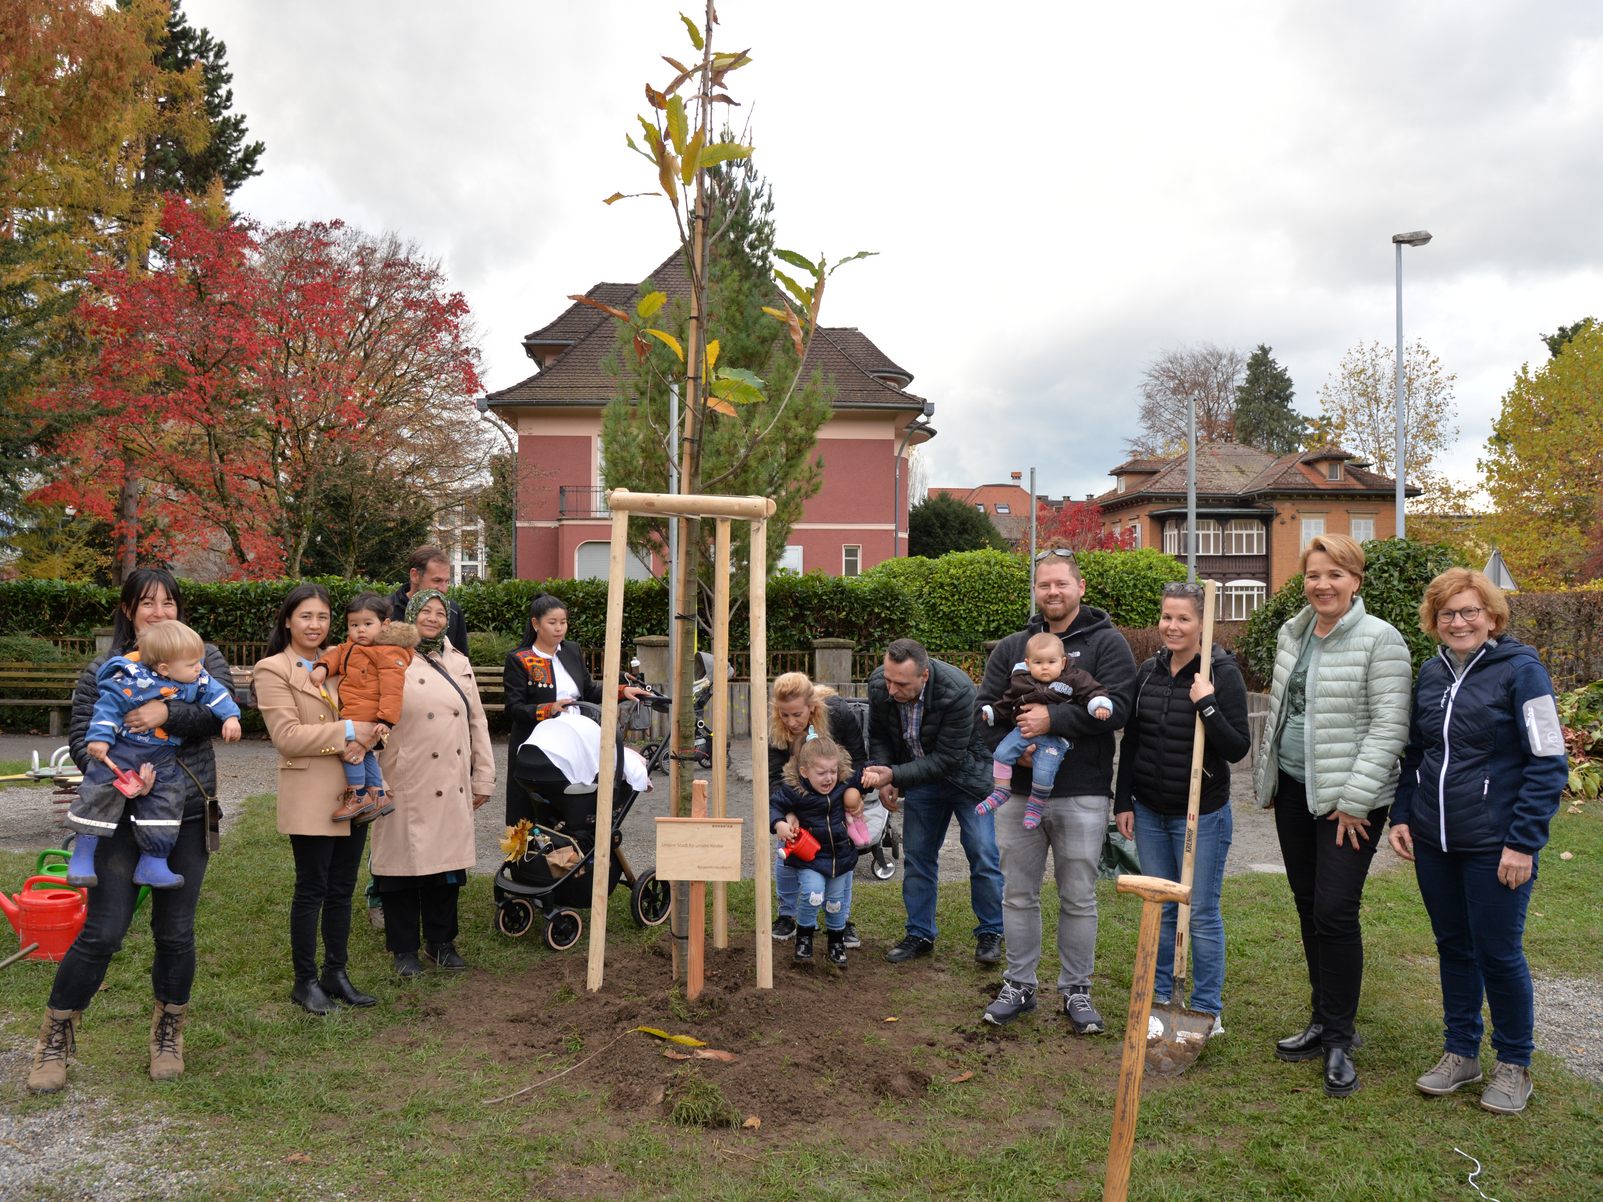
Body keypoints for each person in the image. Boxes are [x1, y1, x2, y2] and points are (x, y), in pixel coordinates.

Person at [28, 568, 235, 1092]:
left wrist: (165, 710)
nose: (159, 611)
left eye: (168, 602)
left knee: (176, 931)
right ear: (128, 610)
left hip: (183, 812)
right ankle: (56, 1034)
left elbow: (226, 713)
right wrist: (124, 775)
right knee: (104, 930)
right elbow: (82, 740)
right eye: (147, 602)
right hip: (120, 815)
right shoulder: (105, 668)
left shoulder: (202, 657)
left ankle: (169, 1029)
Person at [1389, 568, 1567, 1115]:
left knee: (1497, 951)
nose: (1459, 621)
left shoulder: (1523, 671)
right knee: (1454, 948)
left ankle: (1514, 1064)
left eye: (1470, 611)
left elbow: (1548, 760)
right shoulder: (1431, 674)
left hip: (1497, 843)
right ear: (1435, 622)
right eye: (1448, 613)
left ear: (1492, 617)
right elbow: (1417, 752)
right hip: (1435, 839)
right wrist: (1402, 814)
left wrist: (1523, 842)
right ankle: (1461, 1052)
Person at [1254, 533, 1411, 1098]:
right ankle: (1322, 1018)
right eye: (1314, 575)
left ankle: (1340, 1038)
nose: (1323, 585)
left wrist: (1355, 799)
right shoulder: (1293, 633)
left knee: (1336, 910)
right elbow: (1281, 712)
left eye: (1335, 575)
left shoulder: (1380, 640)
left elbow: (1390, 726)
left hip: (1351, 802)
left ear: (1356, 581)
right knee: (1306, 904)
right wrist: (1271, 777)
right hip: (1296, 790)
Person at [974, 549, 1137, 1032]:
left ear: (1080, 587)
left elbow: (1122, 706)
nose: (1052, 592)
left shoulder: (1108, 644)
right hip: (1020, 793)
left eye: (1061, 584)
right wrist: (1016, 750)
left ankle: (1076, 990)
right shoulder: (1012, 648)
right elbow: (985, 710)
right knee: (1018, 894)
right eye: (1044, 585)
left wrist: (1054, 719)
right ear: (1036, 591)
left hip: (1082, 791)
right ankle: (1019, 984)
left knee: (1079, 896)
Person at [1113, 581, 1251, 1034]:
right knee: (1161, 906)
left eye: (1184, 618)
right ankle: (1157, 1004)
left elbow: (1236, 748)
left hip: (1202, 814)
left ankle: (1207, 1009)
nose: (1172, 626)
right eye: (1167, 617)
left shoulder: (1220, 672)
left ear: (1201, 623)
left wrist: (1206, 704)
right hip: (1150, 810)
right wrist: (1123, 800)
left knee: (1201, 911)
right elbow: (1132, 739)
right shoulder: (1149, 671)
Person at [255, 584, 382, 1015]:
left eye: (323, 617)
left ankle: (336, 972)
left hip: (355, 790)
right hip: (311, 792)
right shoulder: (272, 669)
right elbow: (287, 738)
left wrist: (375, 731)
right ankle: (304, 981)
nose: (315, 625)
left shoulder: (345, 659)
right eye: (306, 616)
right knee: (313, 888)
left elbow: (373, 707)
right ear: (288, 620)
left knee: (343, 888)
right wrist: (350, 731)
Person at [370, 589, 495, 976]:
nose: (434, 618)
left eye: (441, 612)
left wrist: (483, 775)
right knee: (400, 867)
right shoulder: (389, 655)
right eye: (425, 610)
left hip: (450, 777)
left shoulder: (458, 661)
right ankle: (403, 949)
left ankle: (441, 943)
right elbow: (371, 717)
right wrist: (371, 779)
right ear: (410, 614)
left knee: (446, 867)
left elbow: (478, 721)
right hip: (404, 773)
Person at [860, 639, 1005, 967]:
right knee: (918, 857)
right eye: (888, 679)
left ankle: (990, 932)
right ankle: (920, 934)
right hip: (921, 779)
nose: (892, 689)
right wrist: (890, 775)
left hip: (969, 779)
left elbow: (948, 759)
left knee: (982, 853)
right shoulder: (880, 684)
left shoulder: (957, 690)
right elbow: (880, 736)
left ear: (924, 675)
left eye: (902, 684)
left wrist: (894, 774)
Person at [67, 620, 242, 890]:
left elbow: (218, 696)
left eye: (200, 662)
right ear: (164, 668)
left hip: (161, 755)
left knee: (167, 800)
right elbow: (108, 707)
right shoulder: (132, 678)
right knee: (98, 793)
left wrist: (230, 717)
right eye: (193, 664)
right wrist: (100, 739)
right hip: (123, 750)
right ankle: (82, 856)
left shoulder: (197, 678)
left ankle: (153, 862)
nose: (199, 668)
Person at [502, 593, 647, 827]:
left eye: (564, 622)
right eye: (552, 623)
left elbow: (588, 691)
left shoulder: (571, 650)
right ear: (536, 624)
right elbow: (514, 709)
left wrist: (621, 691)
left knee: (581, 801)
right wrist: (548, 709)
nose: (559, 628)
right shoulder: (520, 659)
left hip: (576, 739)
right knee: (533, 812)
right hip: (539, 745)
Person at [768, 671, 870, 947]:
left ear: (811, 706)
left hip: (835, 792)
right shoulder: (777, 729)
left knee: (840, 855)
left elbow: (859, 759)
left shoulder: (838, 714)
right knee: (789, 851)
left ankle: (841, 918)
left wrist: (852, 792)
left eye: (797, 714)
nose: (790, 722)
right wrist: (788, 811)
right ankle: (787, 914)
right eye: (784, 714)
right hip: (797, 792)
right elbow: (774, 775)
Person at [975, 631, 1113, 830]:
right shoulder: (1021, 680)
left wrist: (1099, 704)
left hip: (1054, 739)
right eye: (1038, 663)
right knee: (1001, 753)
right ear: (1028, 663)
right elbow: (1006, 701)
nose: (1045, 667)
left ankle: (1036, 805)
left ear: (1063, 662)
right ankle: (1001, 790)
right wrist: (993, 713)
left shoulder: (1074, 678)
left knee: (1043, 773)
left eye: (1051, 662)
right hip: (1023, 731)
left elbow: (1092, 692)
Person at [309, 592, 416, 822]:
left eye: (368, 624)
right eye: (354, 625)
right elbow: (336, 655)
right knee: (365, 754)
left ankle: (357, 794)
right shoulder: (350, 646)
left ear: (384, 624)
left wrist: (386, 720)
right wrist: (323, 668)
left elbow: (392, 689)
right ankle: (377, 793)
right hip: (353, 709)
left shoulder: (388, 652)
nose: (360, 630)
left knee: (350, 752)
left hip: (367, 714)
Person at [771, 736, 863, 968]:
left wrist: (874, 775)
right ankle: (804, 939)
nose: (829, 778)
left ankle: (836, 941)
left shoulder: (842, 784)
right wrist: (779, 823)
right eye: (821, 773)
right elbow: (773, 806)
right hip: (810, 858)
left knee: (835, 902)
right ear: (804, 771)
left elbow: (864, 773)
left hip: (839, 857)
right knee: (813, 894)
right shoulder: (795, 791)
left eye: (833, 771)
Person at [387, 545, 468, 656]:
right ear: (415, 575)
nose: (444, 588)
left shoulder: (453, 610)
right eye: (437, 580)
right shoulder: (385, 611)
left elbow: (461, 660)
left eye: (447, 581)